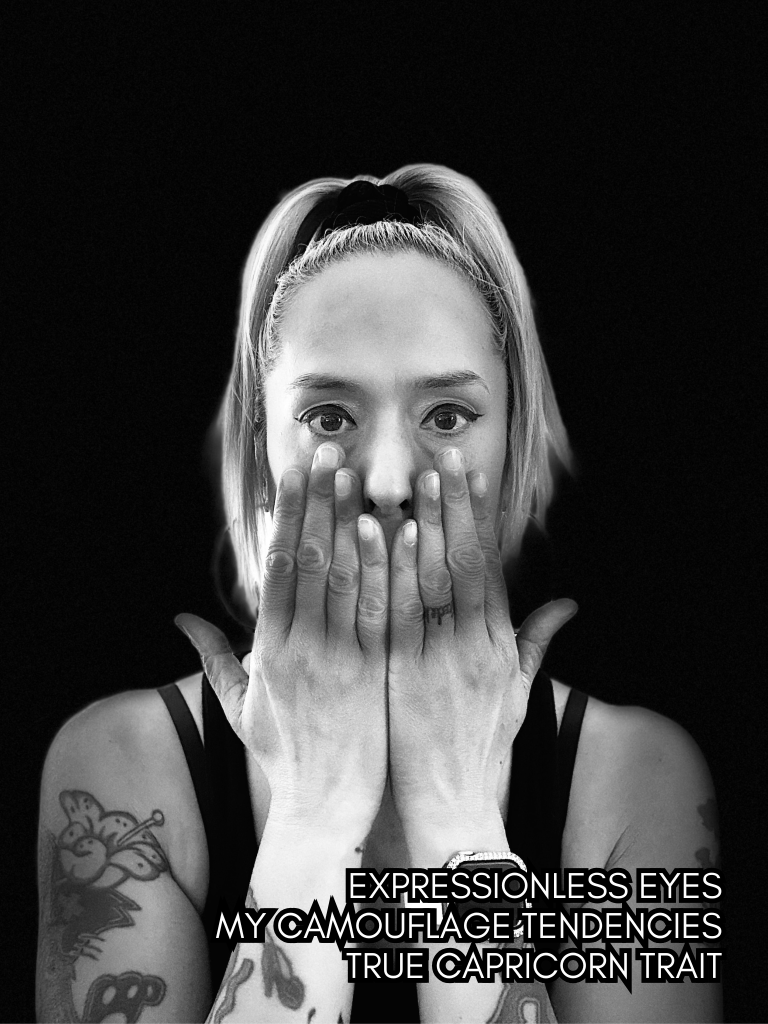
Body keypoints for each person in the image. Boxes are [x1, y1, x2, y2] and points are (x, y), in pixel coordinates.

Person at [36, 166, 722, 1023]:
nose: (391, 480)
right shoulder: (123, 772)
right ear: (262, 443)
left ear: (513, 441)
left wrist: (460, 821)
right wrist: (313, 820)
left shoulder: (636, 779)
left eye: (446, 416)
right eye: (329, 415)